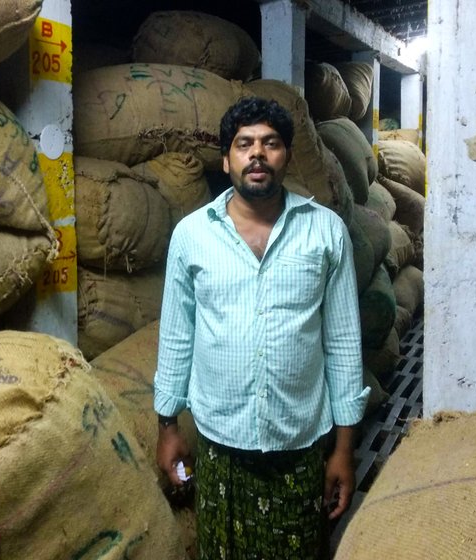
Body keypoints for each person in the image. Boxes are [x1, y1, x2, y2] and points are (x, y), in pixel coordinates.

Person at [153, 96, 369, 559]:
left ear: (286, 156)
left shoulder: (325, 231)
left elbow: (345, 343)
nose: (257, 154)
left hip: (300, 446)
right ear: (226, 159)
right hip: (219, 447)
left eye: (270, 143)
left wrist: (343, 450)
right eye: (244, 143)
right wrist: (168, 426)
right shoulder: (192, 236)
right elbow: (176, 335)